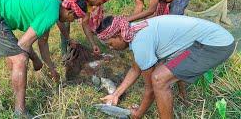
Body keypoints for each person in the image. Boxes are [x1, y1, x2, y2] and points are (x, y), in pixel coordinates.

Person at [0, 0, 87, 118]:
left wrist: (51, 69)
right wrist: (36, 60)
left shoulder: (51, 5)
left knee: (15, 53)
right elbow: (23, 44)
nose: (70, 21)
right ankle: (20, 112)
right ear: (69, 11)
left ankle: (13, 92)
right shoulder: (51, 12)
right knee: (20, 58)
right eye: (73, 18)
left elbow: (42, 43)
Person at [97, 15, 235, 119]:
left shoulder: (139, 41)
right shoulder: (132, 29)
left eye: (110, 44)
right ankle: (183, 96)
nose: (111, 48)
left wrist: (138, 114)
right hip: (202, 42)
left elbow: (150, 89)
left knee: (158, 78)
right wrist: (115, 94)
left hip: (214, 45)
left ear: (118, 35)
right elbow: (136, 68)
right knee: (164, 70)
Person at [33, 0, 114, 58]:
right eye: (100, 3)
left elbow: (85, 23)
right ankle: (51, 57)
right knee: (47, 22)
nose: (99, 6)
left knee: (66, 20)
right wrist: (69, 38)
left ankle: (66, 51)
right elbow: (59, 17)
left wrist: (93, 44)